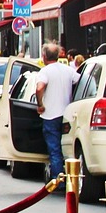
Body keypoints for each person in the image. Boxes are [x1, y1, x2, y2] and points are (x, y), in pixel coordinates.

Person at [35, 42, 79, 188]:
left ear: (44, 56)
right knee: (67, 145)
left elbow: (40, 87)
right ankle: (71, 175)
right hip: (67, 114)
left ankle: (58, 180)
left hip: (50, 115)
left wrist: (40, 104)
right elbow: (80, 80)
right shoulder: (68, 70)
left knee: (54, 149)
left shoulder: (45, 72)